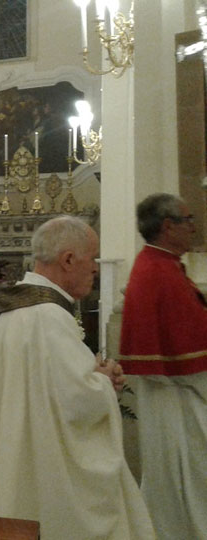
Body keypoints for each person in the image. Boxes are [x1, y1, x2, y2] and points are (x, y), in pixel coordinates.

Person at [0, 216, 154, 539]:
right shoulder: (48, 318)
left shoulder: (9, 311)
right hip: (48, 471)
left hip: (19, 459)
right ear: (69, 260)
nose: (96, 269)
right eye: (93, 259)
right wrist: (104, 381)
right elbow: (78, 402)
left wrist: (97, 377)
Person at [118, 193, 207, 539]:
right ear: (167, 226)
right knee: (189, 479)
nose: (193, 227)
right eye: (188, 220)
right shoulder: (160, 272)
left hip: (177, 396)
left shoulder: (160, 265)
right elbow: (190, 359)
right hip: (180, 399)